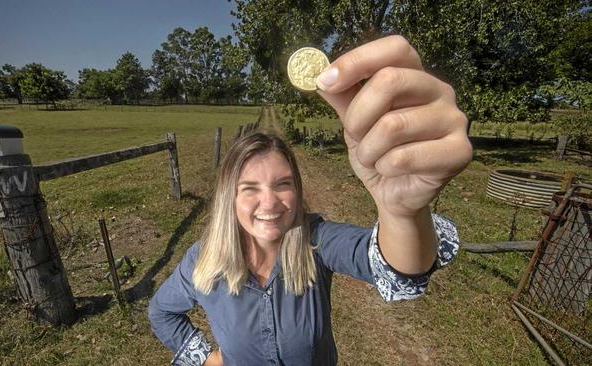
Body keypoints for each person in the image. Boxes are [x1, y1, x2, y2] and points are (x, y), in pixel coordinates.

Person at [148, 35, 472, 366]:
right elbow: (161, 312)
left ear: (299, 190)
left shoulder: (315, 240)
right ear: (228, 198)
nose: (269, 202)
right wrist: (206, 359)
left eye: (283, 184)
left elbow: (396, 268)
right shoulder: (202, 262)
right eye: (249, 188)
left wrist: (403, 213)